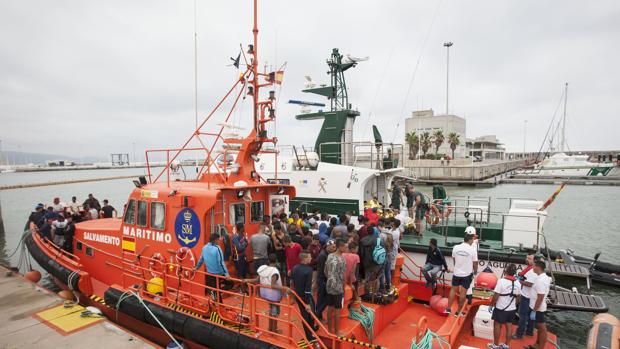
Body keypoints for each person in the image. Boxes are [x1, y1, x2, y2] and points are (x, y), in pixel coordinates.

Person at [244, 254, 286, 334]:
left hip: (265, 294)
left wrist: (246, 280)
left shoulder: (263, 269)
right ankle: (274, 331)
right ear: (276, 261)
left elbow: (256, 280)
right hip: (274, 296)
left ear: (268, 261)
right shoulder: (275, 271)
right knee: (275, 313)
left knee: (271, 311)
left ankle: (270, 328)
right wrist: (286, 288)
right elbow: (273, 285)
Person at [488, 264, 521, 349]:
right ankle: (506, 345)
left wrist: (492, 305)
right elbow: (518, 297)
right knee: (509, 326)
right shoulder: (518, 283)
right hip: (512, 309)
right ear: (514, 273)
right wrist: (514, 305)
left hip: (500, 308)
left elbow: (496, 295)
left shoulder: (501, 281)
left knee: (497, 325)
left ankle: (495, 345)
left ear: (506, 271)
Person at [290, 252, 319, 347]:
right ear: (305, 258)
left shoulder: (295, 268)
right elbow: (307, 288)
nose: (311, 259)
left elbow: (292, 282)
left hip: (298, 295)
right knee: (308, 314)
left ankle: (311, 329)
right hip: (305, 296)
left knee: (307, 313)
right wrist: (307, 303)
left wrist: (293, 296)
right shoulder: (309, 270)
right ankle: (309, 336)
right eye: (310, 257)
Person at [445, 234, 478, 316]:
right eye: (472, 240)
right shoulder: (472, 249)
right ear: (470, 240)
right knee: (463, 293)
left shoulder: (456, 247)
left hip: (456, 274)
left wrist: (457, 267)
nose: (473, 242)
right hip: (467, 275)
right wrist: (475, 272)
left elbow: (454, 259)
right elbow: (475, 263)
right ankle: (458, 312)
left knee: (453, 290)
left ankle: (448, 309)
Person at [194, 233, 230, 302]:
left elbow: (201, 260)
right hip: (219, 274)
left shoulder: (204, 248)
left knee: (212, 287)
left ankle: (215, 295)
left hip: (210, 273)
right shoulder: (217, 248)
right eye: (218, 240)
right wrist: (227, 274)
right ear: (215, 240)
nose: (219, 242)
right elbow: (221, 262)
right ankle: (218, 295)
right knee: (231, 284)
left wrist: (196, 268)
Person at [325, 239, 347, 336]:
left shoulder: (329, 256)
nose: (346, 248)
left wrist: (330, 279)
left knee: (330, 307)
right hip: (337, 286)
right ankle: (337, 331)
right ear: (340, 247)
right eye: (345, 246)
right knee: (337, 309)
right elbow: (343, 276)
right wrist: (343, 287)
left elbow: (325, 271)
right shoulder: (342, 260)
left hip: (329, 285)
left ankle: (330, 330)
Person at [528, 260, 552, 349]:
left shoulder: (540, 281)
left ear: (538, 267)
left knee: (542, 328)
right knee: (539, 327)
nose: (532, 268)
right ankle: (537, 345)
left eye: (534, 266)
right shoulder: (544, 277)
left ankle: (541, 347)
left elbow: (540, 297)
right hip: (538, 307)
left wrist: (534, 310)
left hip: (538, 308)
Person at [513, 254, 537, 339]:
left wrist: (519, 281)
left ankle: (519, 334)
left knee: (523, 315)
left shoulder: (532, 271)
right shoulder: (531, 269)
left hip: (527, 296)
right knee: (530, 315)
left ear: (535, 261)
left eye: (529, 258)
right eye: (526, 258)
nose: (527, 259)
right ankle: (530, 331)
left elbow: (530, 284)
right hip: (532, 296)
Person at [315, 239, 336, 321]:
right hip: (323, 280)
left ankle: (318, 314)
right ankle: (317, 313)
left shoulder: (326, 254)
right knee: (324, 298)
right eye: (332, 247)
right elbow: (324, 270)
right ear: (328, 246)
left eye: (334, 247)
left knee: (322, 298)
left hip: (323, 279)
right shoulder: (323, 255)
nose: (334, 249)